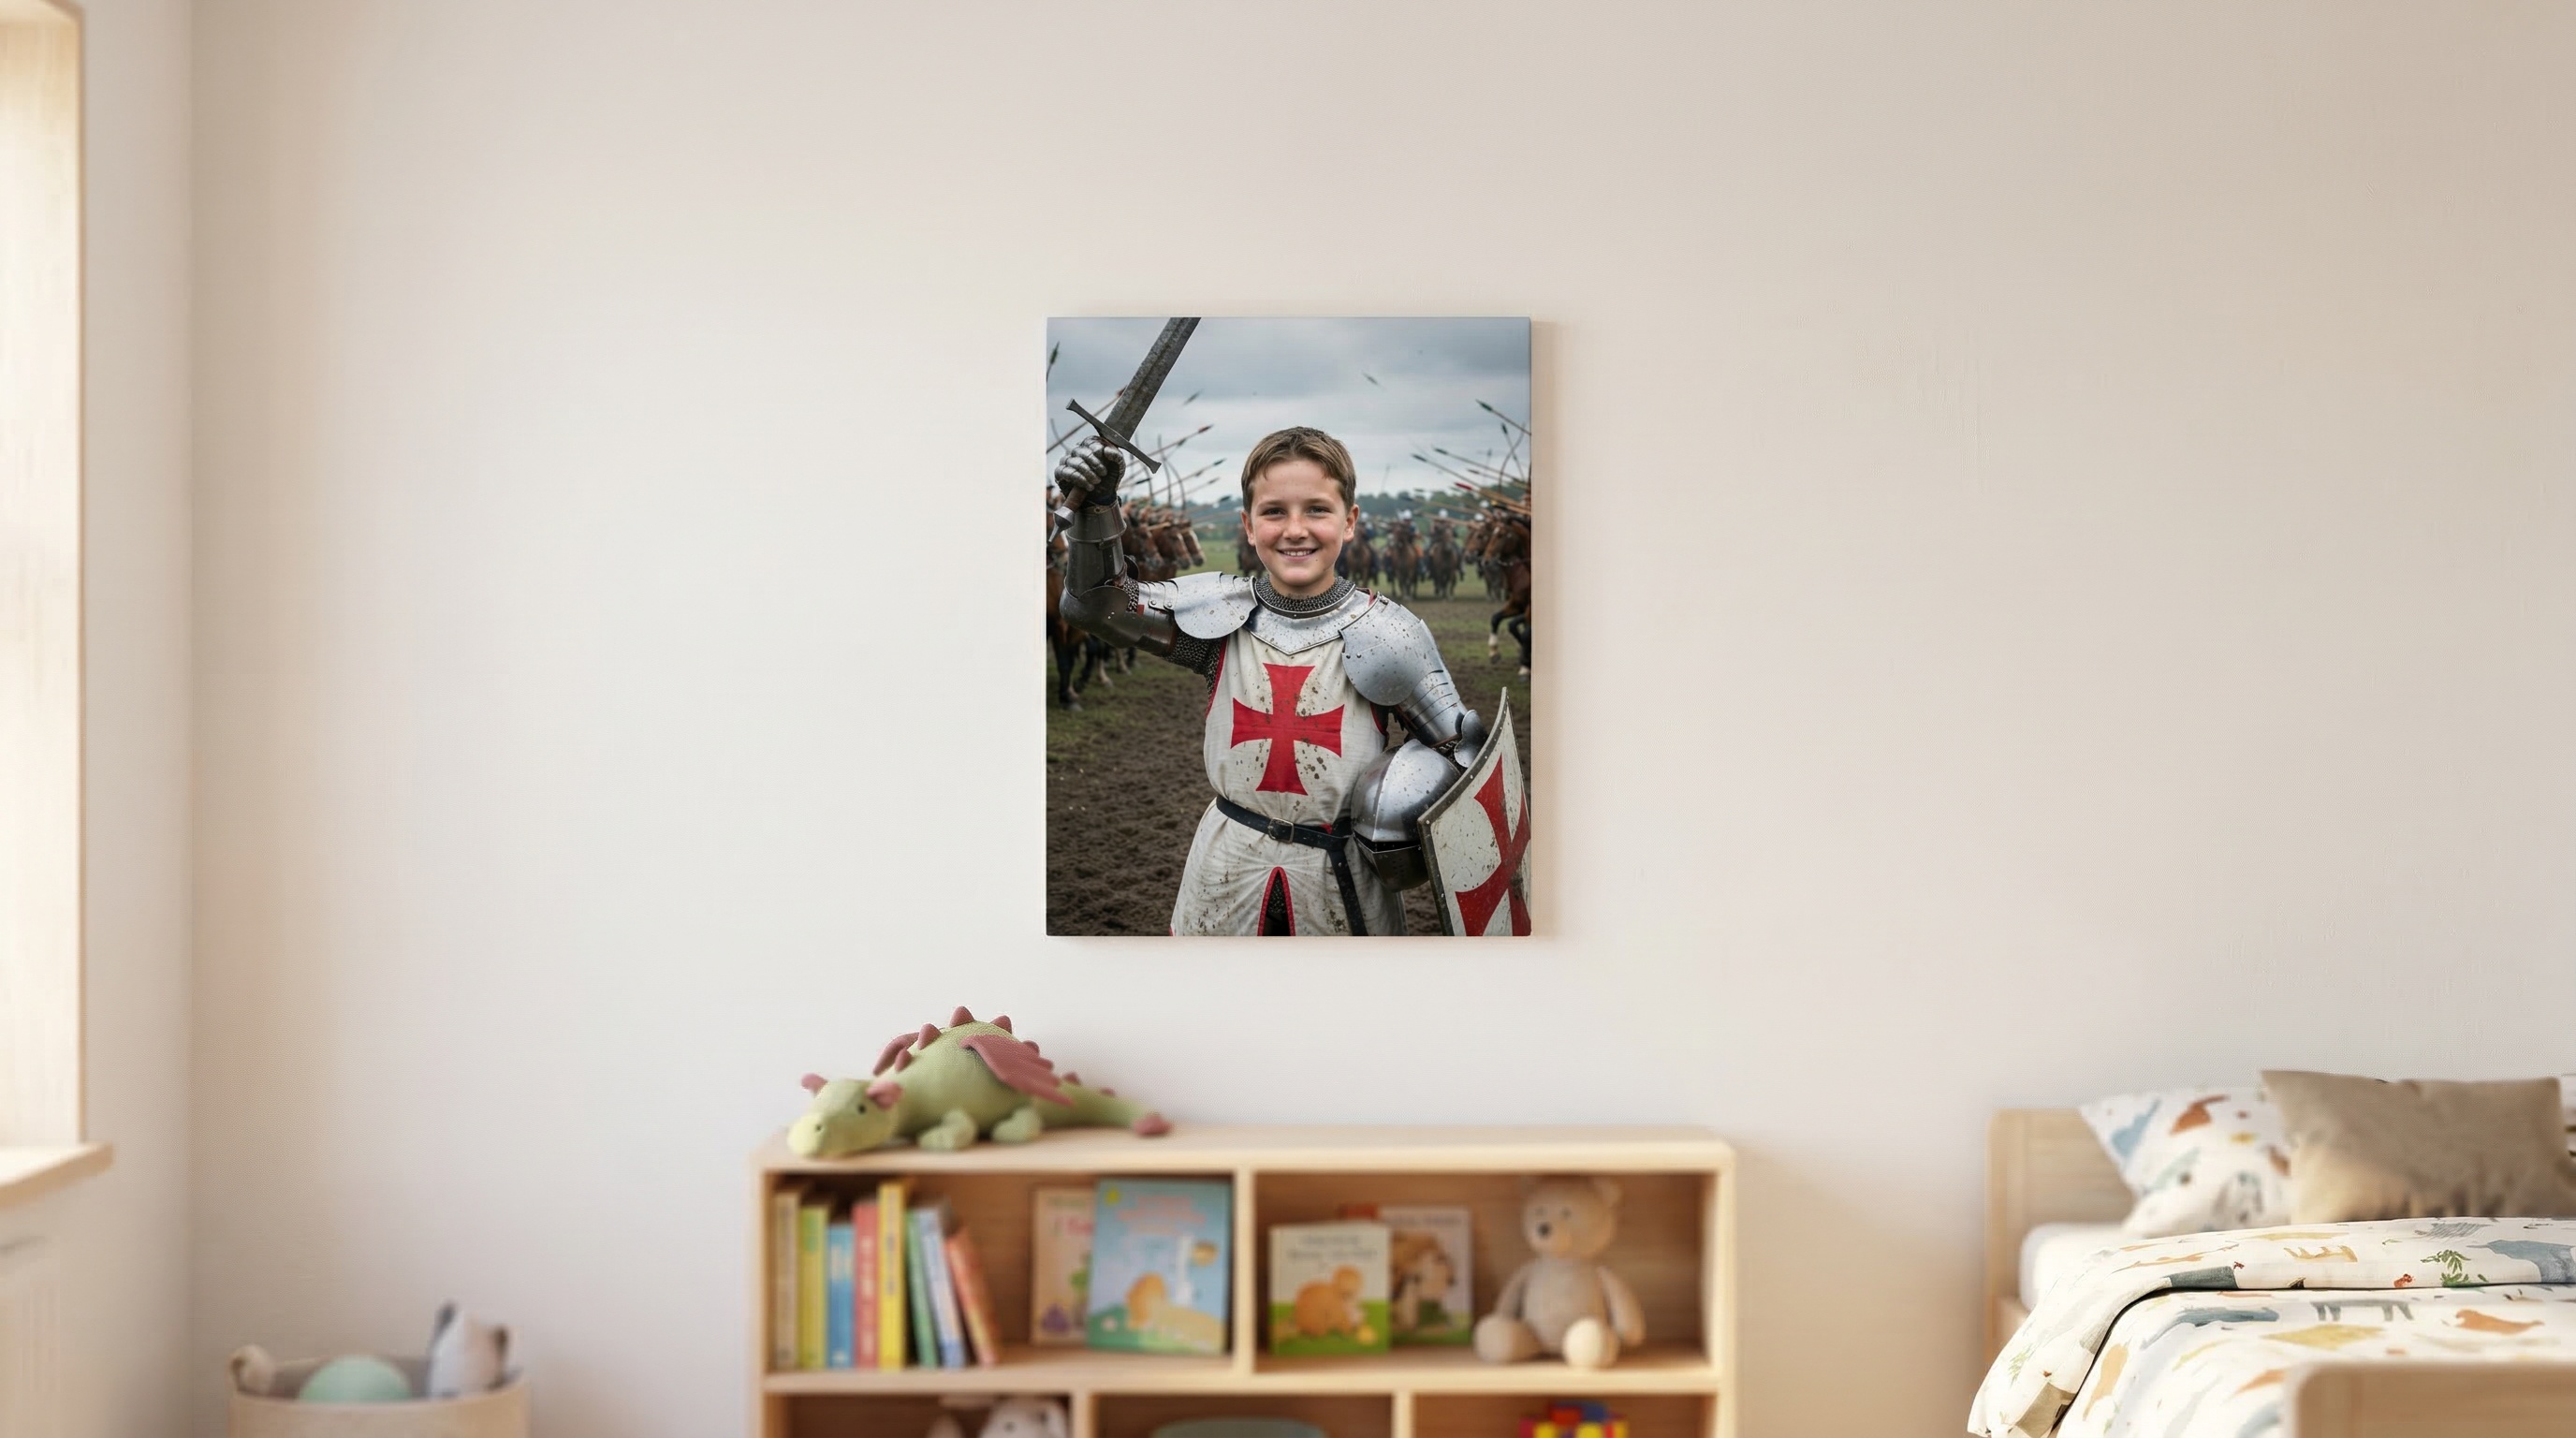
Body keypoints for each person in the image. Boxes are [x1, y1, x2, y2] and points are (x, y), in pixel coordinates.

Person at [1058, 426, 1485, 935]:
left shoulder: (1390, 634)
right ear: (1248, 525)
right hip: (1226, 866)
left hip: (1343, 876)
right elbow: (1096, 606)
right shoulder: (1217, 618)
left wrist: (1394, 807)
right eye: (1275, 511)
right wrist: (1096, 505)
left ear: (1349, 523)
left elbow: (1461, 756)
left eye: (1317, 510)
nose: (1295, 529)